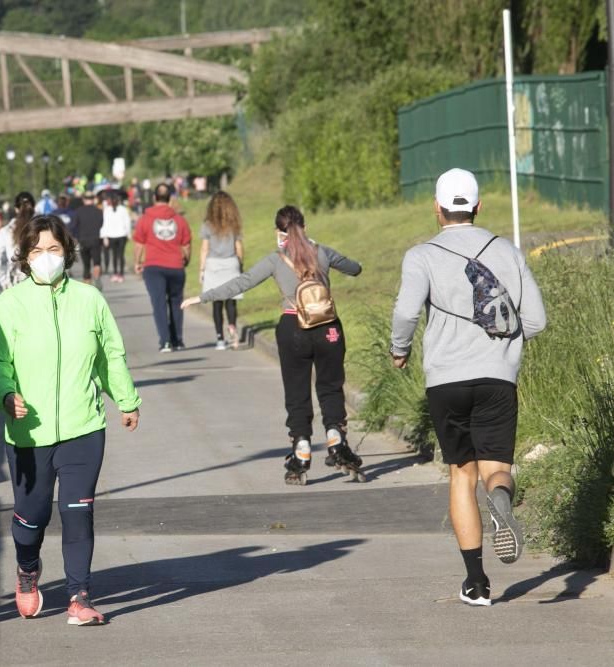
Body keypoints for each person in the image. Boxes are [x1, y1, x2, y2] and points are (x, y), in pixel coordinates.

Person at [390, 168, 547, 607]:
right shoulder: (507, 251)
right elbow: (536, 320)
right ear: (478, 206)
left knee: (461, 473)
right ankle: (500, 496)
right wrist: (501, 348)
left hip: (445, 381)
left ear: (437, 209)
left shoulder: (421, 255)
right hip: (497, 379)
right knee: (497, 469)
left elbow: (405, 314)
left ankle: (476, 584)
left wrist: (399, 349)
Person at [0, 214, 141, 626]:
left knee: (77, 511)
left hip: (82, 428)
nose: (46, 257)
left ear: (67, 253)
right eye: (37, 250)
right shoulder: (10, 304)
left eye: (53, 249)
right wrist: (6, 394)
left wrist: (126, 400)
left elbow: (109, 355)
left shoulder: (90, 300)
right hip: (28, 433)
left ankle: (79, 596)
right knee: (30, 518)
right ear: (25, 257)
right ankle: (28, 569)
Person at [182, 205, 362, 484]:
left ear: (279, 233)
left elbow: (242, 283)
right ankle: (336, 436)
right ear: (305, 226)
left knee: (297, 390)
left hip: (293, 329)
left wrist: (203, 297)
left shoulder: (276, 260)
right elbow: (355, 269)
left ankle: (301, 447)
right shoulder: (323, 252)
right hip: (328, 328)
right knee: (330, 386)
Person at [133, 182, 192, 352]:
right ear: (170, 199)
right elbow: (186, 245)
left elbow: (139, 244)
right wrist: (185, 260)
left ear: (154, 198)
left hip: (153, 267)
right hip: (176, 266)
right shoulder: (179, 220)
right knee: (176, 302)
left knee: (159, 303)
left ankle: (165, 341)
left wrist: (137, 262)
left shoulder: (145, 219)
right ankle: (177, 340)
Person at [198, 191, 245, 350]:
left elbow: (204, 248)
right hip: (231, 263)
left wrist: (201, 269)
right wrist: (240, 264)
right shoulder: (234, 225)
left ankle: (220, 338)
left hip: (213, 265)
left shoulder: (207, 225)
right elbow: (239, 247)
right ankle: (232, 326)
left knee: (216, 303)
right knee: (231, 301)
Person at [0, 191, 35, 289]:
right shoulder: (43, 228)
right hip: (40, 281)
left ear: (16, 209)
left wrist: (2, 279)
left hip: (16, 281)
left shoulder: (6, 231)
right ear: (33, 207)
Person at [70, 190, 104, 285]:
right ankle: (97, 280)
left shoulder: (78, 211)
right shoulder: (99, 211)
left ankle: (88, 287)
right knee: (97, 263)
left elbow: (73, 226)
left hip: (83, 240)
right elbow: (103, 225)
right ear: (93, 199)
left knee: (86, 266)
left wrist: (74, 238)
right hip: (96, 240)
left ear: (84, 199)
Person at [102, 193, 131, 283]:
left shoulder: (120, 210)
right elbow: (105, 224)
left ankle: (118, 274)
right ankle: (118, 273)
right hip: (116, 235)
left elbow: (127, 222)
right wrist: (105, 236)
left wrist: (128, 234)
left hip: (117, 235)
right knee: (117, 255)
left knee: (117, 255)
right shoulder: (109, 210)